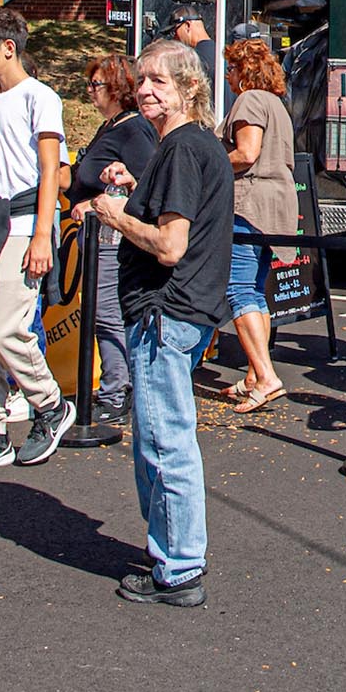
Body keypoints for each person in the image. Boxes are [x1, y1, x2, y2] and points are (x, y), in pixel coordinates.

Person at [88, 40, 233, 606]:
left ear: (189, 88)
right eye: (142, 80)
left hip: (164, 312)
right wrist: (134, 193)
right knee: (160, 438)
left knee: (164, 442)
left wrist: (115, 214)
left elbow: (170, 245)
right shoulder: (187, 148)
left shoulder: (182, 148)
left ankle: (178, 568)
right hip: (177, 311)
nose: (145, 89)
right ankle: (172, 554)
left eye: (159, 82)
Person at [0, 8, 74, 475]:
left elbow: (50, 171)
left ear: (9, 48)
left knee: (6, 329)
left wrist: (43, 234)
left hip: (21, 227)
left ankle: (49, 404)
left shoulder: (39, 96)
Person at [65, 54, 159, 425]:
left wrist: (99, 202)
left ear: (119, 89)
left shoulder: (133, 129)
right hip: (95, 236)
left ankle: (117, 389)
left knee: (107, 315)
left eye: (97, 85)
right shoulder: (112, 126)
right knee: (105, 313)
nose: (90, 92)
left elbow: (145, 182)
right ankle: (118, 386)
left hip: (111, 237)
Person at [217, 36, 298, 414]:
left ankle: (265, 376)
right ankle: (254, 375)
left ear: (244, 71)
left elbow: (247, 154)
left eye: (231, 68)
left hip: (250, 204)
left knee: (237, 289)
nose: (228, 75)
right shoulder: (276, 103)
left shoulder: (249, 100)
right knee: (255, 288)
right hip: (278, 204)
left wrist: (212, 164)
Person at [168, 4, 218, 88]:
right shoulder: (224, 54)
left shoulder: (193, 60)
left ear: (187, 25)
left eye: (174, 32)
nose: (174, 38)